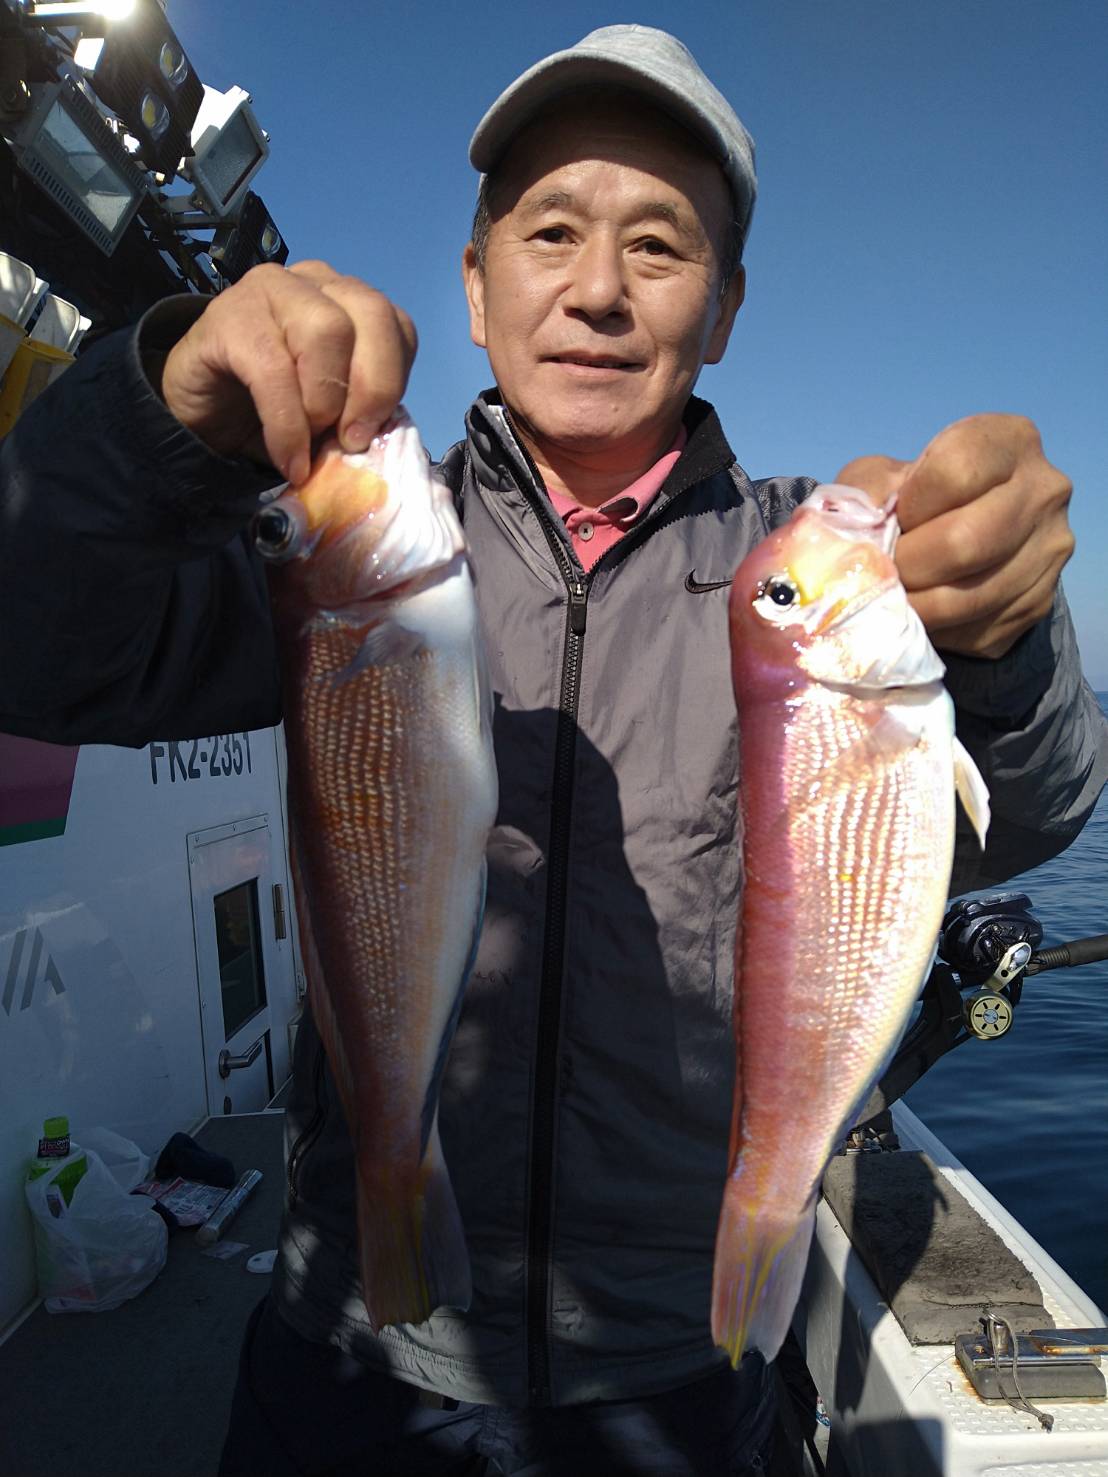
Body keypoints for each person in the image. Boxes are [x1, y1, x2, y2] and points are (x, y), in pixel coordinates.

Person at [2, 23, 1105, 1477]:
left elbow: (1031, 812)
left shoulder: (804, 572)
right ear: (474, 285)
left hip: (671, 1365)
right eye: (550, 232)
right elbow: (43, 643)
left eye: (659, 245)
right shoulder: (334, 544)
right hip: (350, 1346)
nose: (596, 289)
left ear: (725, 308)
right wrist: (159, 420)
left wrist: (1002, 640)